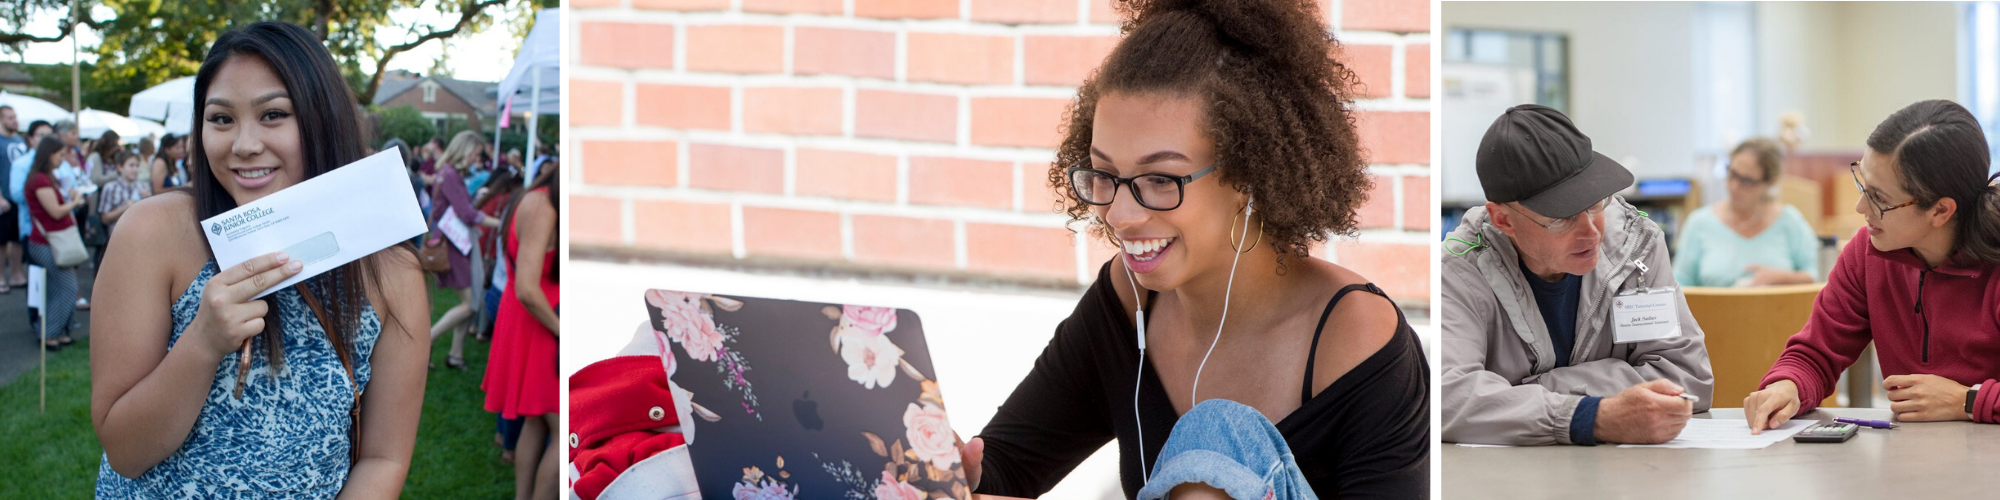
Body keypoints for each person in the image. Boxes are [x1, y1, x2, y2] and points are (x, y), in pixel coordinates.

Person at [965, 1, 1431, 498]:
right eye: (1104, 174)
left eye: (1160, 179)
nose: (1121, 215)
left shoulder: (1355, 339)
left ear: (1250, 174)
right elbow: (1005, 469)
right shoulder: (1127, 304)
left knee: (1217, 432)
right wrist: (952, 474)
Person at [90, 21, 429, 498]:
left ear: (321, 118)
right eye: (221, 119)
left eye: (273, 114)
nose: (244, 144)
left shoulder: (391, 271)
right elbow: (125, 451)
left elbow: (384, 456)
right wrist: (204, 342)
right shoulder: (153, 232)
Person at [1439, 104, 1714, 446]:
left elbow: (1687, 379)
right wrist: (1593, 417)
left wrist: (1526, 393)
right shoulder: (1459, 268)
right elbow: (1448, 398)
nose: (1591, 231)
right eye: (1561, 218)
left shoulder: (1636, 246)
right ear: (1503, 220)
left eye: (1595, 203)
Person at [1743, 99, 2000, 431]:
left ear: (1940, 211)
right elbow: (1816, 353)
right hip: (1909, 460)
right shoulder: (1866, 252)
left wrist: (1968, 401)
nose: (1860, 206)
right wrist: (1787, 385)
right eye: (1863, 184)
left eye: (1880, 198)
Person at [484, 158, 560, 500]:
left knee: (537, 421)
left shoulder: (539, 198)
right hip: (541, 324)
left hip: (535, 322)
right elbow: (528, 288)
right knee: (563, 432)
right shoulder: (543, 204)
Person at [1674, 137, 1820, 287]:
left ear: (1769, 183)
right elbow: (1680, 285)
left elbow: (1816, 276)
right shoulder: (1699, 223)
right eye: (1732, 174)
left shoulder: (1790, 221)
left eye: (1746, 181)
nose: (1734, 186)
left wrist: (1783, 278)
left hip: (1778, 309)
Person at [427, 130, 502, 370]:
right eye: (475, 155)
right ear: (465, 151)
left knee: (470, 303)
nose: (476, 161)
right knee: (470, 304)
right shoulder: (450, 175)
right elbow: (467, 214)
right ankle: (427, 341)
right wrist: (501, 221)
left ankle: (455, 355)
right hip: (453, 245)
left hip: (453, 243)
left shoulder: (447, 174)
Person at [23, 135, 83, 351]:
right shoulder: (40, 179)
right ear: (49, 155)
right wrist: (75, 202)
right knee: (68, 288)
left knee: (59, 288)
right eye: (60, 154)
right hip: (47, 242)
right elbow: (55, 212)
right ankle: (50, 334)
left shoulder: (45, 178)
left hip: (50, 241)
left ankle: (60, 332)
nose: (63, 159)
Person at [97, 151, 150, 234]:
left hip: (141, 234)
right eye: (131, 165)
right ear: (120, 167)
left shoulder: (144, 186)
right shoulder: (110, 187)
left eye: (137, 166)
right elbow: (104, 218)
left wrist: (149, 199)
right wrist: (126, 208)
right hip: (117, 236)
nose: (135, 169)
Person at [0, 105, 23, 294]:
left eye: (14, 117)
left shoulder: (20, 141)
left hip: (20, 199)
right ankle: (0, 277)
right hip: (4, 198)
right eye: (9, 117)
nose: (14, 120)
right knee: (2, 241)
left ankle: (16, 274)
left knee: (17, 239)